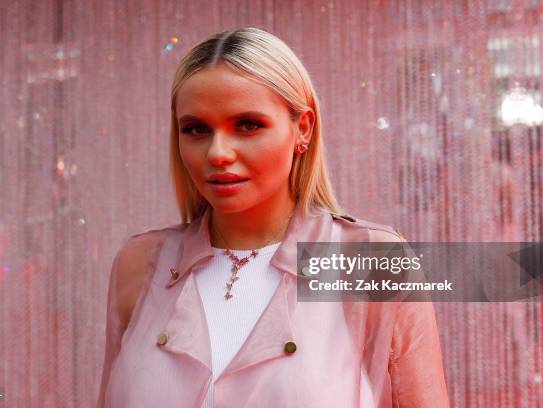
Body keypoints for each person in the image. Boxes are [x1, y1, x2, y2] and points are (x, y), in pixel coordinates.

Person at [97, 27, 449, 407]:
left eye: (248, 125)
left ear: (303, 128)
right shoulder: (141, 264)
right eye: (196, 129)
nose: (218, 152)